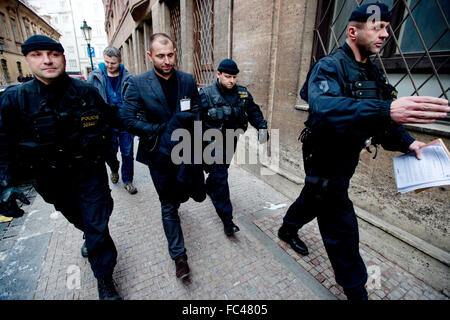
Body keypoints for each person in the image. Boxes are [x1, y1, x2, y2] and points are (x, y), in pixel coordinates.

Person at [277, 3, 449, 300]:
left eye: (387, 28)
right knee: (340, 223)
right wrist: (386, 109)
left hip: (347, 155)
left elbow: (384, 117)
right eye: (377, 27)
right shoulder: (329, 66)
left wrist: (408, 142)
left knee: (313, 197)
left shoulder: (374, 73)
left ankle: (287, 228)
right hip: (323, 154)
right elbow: (324, 107)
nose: (385, 34)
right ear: (353, 31)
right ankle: (356, 289)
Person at [0, 35, 122, 300]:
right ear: (27, 60)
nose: (47, 60)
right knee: (82, 220)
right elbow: (3, 144)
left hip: (89, 175)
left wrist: (154, 130)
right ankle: (89, 235)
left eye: (53, 54)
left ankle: (105, 279)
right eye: (38, 55)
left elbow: (112, 117)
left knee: (98, 226)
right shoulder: (15, 100)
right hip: (52, 182)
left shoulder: (85, 92)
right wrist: (5, 184)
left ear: (63, 57)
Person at [120, 33, 205, 279]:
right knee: (167, 204)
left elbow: (197, 109)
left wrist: (197, 140)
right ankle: (179, 257)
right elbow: (127, 119)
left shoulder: (187, 80)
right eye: (160, 56)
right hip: (157, 153)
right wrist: (161, 131)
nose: (166, 61)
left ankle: (180, 201)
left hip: (185, 150)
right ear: (150, 56)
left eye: (170, 55)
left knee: (185, 194)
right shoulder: (137, 83)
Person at [199, 59, 268, 236]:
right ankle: (227, 220)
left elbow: (253, 111)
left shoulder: (243, 93)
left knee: (219, 172)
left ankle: (209, 184)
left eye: (234, 77)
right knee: (221, 175)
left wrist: (261, 126)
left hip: (231, 139)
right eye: (228, 77)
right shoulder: (206, 94)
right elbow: (195, 120)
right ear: (218, 74)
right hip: (212, 141)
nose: (231, 81)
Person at [87, 46, 137, 195]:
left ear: (120, 62)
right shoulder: (94, 76)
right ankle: (114, 169)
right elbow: (89, 99)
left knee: (127, 153)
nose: (109, 65)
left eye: (113, 63)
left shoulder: (128, 77)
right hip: (106, 124)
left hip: (125, 123)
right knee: (110, 152)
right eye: (107, 62)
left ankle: (128, 181)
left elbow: (135, 100)